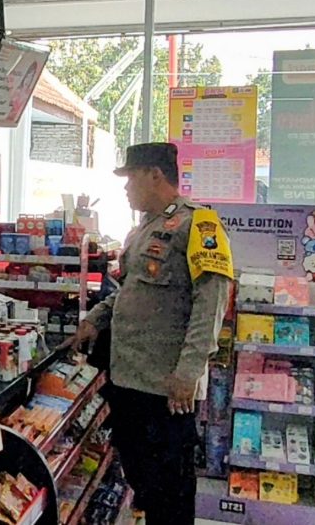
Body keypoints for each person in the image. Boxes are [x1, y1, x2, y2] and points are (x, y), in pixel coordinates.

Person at [67, 142, 233, 525]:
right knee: (143, 480)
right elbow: (130, 291)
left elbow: (211, 304)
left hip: (165, 388)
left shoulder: (199, 225)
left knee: (170, 493)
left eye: (131, 178)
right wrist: (95, 319)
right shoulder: (144, 229)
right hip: (130, 380)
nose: (126, 187)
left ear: (155, 175)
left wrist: (188, 372)